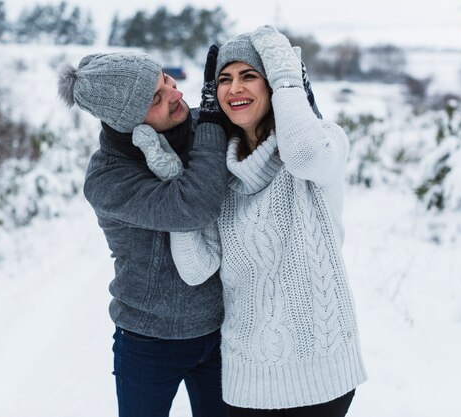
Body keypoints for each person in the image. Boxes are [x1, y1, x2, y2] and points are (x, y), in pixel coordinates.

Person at [138, 27, 367, 417]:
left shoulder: (325, 143)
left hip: (322, 373)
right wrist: (175, 179)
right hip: (249, 380)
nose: (233, 88)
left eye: (249, 75)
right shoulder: (217, 178)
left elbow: (303, 154)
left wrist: (286, 72)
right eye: (224, 79)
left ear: (275, 82)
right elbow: (196, 268)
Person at [57, 49, 229, 417]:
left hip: (222, 330)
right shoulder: (107, 179)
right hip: (148, 343)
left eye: (167, 79)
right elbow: (193, 206)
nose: (177, 94)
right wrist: (214, 127)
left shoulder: (204, 126)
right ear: (126, 120)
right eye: (156, 98)